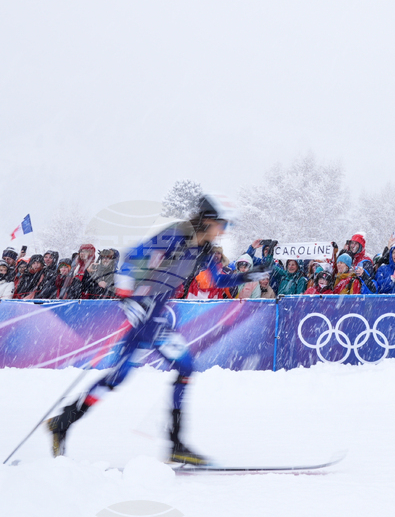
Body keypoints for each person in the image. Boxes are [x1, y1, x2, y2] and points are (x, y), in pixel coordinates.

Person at [46, 195, 266, 465]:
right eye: (223, 225)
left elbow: (214, 281)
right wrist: (128, 298)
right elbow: (132, 258)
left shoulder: (205, 250)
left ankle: (64, 421)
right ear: (208, 221)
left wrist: (247, 276)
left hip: (153, 317)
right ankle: (175, 444)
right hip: (145, 314)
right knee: (184, 367)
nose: (223, 231)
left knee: (118, 377)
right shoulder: (176, 234)